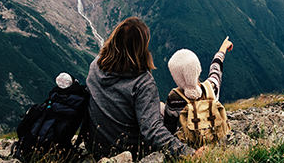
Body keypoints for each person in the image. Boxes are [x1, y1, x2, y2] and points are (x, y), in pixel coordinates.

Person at [85, 17, 195, 161]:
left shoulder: (96, 65)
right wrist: (188, 153)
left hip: (95, 147)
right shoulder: (142, 82)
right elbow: (151, 130)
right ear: (139, 48)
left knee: (159, 107)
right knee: (164, 110)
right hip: (131, 151)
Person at [163, 37, 233, 136]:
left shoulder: (173, 98)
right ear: (198, 69)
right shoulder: (211, 87)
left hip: (189, 145)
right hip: (214, 139)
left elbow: (169, 128)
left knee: (161, 108)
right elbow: (216, 69)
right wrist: (223, 47)